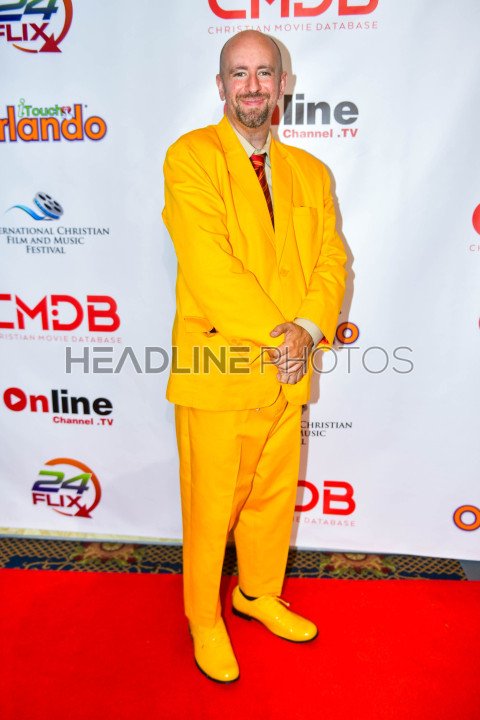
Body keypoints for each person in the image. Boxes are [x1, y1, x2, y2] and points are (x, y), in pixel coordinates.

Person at [162, 30, 347, 683]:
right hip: (219, 369)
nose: (252, 86)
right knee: (211, 506)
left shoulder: (311, 172)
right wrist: (284, 339)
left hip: (289, 371)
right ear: (221, 86)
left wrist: (308, 329)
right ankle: (203, 617)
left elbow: (331, 260)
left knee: (271, 497)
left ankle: (257, 593)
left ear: (283, 85)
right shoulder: (191, 157)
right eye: (238, 73)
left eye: (264, 72)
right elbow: (210, 267)